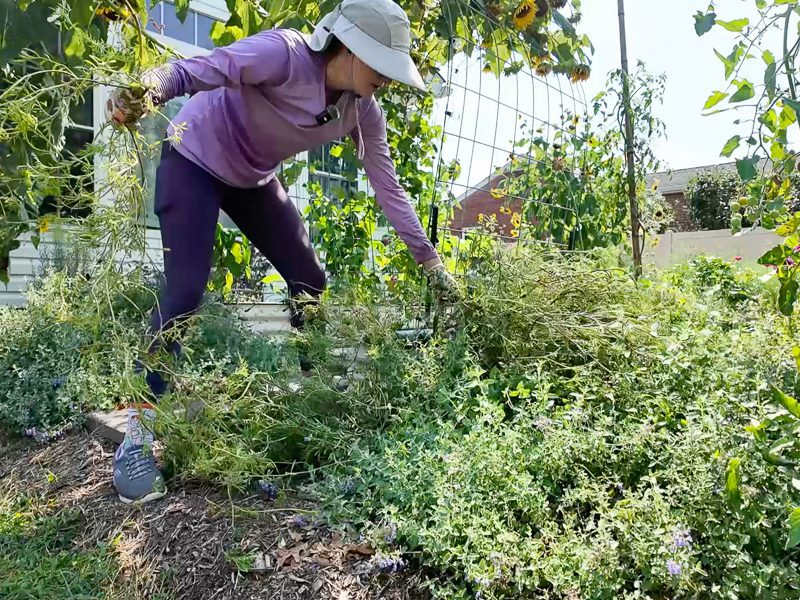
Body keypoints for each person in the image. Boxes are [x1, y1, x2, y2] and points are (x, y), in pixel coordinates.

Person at [105, 0, 459, 503]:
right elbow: (206, 68)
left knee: (310, 279)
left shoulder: (362, 111)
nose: (389, 78)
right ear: (352, 46)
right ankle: (137, 437)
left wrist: (430, 262)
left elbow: (389, 188)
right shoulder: (284, 54)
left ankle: (316, 406)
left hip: (252, 180)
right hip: (194, 160)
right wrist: (151, 88)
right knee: (185, 289)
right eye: (384, 63)